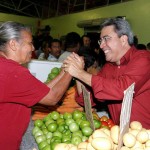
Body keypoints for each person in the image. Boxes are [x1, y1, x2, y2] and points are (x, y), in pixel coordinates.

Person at [63, 17, 150, 129]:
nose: (101, 45)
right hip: (119, 137)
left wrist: (80, 73)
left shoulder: (143, 59)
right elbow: (87, 101)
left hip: (145, 137)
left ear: (123, 39)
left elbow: (122, 89)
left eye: (106, 39)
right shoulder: (108, 67)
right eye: (101, 40)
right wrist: (79, 73)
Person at [0, 21, 72, 150]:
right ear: (13, 44)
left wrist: (63, 72)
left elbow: (44, 91)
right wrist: (72, 71)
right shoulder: (13, 72)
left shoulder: (4, 66)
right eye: (30, 43)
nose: (33, 48)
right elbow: (52, 97)